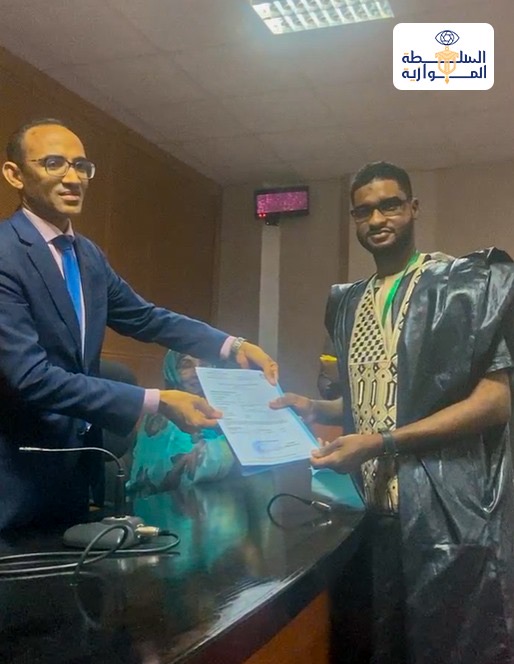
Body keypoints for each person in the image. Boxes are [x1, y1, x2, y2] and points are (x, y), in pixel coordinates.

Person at [271, 161, 514, 663]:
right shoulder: (347, 303)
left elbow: (495, 402)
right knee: (375, 647)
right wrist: (315, 407)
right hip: (369, 517)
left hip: (447, 518)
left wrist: (382, 443)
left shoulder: (464, 286)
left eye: (390, 205)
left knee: (448, 648)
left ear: (413, 208)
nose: (377, 219)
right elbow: (373, 400)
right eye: (364, 211)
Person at [0, 118, 277, 532]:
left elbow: (146, 317)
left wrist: (230, 345)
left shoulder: (88, 256)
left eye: (82, 166)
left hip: (76, 471)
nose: (73, 178)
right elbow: (31, 378)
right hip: (16, 479)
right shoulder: (5, 253)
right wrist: (155, 400)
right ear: (15, 174)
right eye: (54, 163)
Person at [127, 350, 235, 495]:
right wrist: (239, 446)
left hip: (210, 497)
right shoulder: (164, 412)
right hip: (161, 502)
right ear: (171, 371)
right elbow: (185, 472)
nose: (197, 372)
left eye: (204, 365)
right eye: (186, 365)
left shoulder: (218, 409)